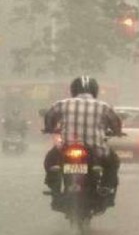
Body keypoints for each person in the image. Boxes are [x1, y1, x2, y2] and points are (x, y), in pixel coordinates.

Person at [42, 76, 122, 207]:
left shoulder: (62, 104)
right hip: (96, 149)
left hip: (67, 146)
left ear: (73, 90)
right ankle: (106, 186)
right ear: (95, 91)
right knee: (113, 163)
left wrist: (49, 128)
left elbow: (49, 116)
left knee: (50, 160)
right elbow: (116, 123)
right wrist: (117, 132)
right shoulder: (104, 106)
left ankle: (54, 186)